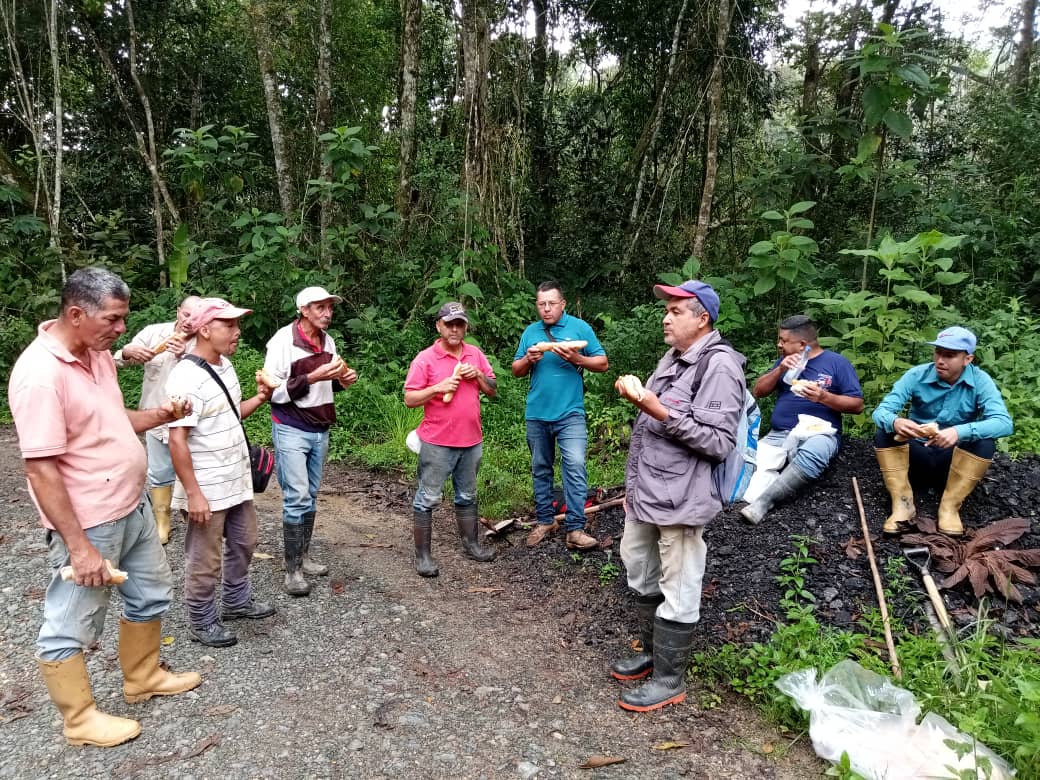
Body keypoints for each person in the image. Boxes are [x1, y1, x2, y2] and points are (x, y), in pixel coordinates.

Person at [7, 267, 201, 748]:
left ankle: (142, 677)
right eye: (113, 320)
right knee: (70, 622)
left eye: (123, 319)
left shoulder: (97, 358)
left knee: (152, 592)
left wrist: (161, 414)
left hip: (130, 505)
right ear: (76, 314)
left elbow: (113, 420)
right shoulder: (40, 376)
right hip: (90, 521)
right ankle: (80, 720)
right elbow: (41, 470)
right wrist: (78, 548)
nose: (120, 331)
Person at [612, 280, 746, 712]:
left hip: (683, 497)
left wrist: (657, 409)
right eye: (665, 309)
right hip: (648, 490)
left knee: (680, 581)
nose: (666, 317)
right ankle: (652, 653)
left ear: (702, 318)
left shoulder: (721, 367)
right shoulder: (673, 358)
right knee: (638, 564)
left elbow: (718, 441)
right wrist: (640, 397)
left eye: (676, 310)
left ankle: (670, 679)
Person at [167, 298, 276, 647]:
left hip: (236, 478)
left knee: (245, 541)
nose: (237, 331)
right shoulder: (184, 376)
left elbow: (228, 415)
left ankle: (236, 601)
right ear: (204, 330)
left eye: (236, 324)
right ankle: (201, 619)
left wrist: (260, 398)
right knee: (205, 557)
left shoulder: (225, 366)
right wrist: (193, 493)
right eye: (228, 325)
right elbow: (177, 440)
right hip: (207, 485)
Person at [263, 286, 358, 596]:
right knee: (297, 496)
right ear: (303, 310)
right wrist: (315, 376)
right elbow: (272, 392)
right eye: (320, 307)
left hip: (321, 427)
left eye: (330, 307)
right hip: (291, 426)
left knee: (312, 494)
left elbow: (328, 386)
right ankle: (292, 571)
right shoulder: (282, 342)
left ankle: (303, 556)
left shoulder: (327, 341)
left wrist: (342, 380)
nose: (327, 313)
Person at [872, 326, 1012, 536]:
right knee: (884, 432)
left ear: (968, 359)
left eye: (950, 355)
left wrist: (959, 431)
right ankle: (903, 503)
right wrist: (896, 421)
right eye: (938, 352)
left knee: (985, 442)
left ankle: (949, 507)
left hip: (953, 462)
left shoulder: (981, 381)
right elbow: (881, 411)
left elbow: (1003, 423)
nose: (940, 360)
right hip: (915, 455)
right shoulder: (917, 374)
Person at [740, 315, 864, 525]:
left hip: (820, 432)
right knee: (747, 462)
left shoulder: (837, 363)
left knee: (814, 452)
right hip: (779, 434)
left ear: (802, 344)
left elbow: (857, 405)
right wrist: (780, 369)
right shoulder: (785, 362)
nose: (779, 344)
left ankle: (763, 503)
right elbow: (758, 391)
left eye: (783, 340)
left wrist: (823, 397)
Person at [513, 281, 609, 551]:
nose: (546, 309)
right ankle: (545, 520)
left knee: (575, 465)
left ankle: (576, 528)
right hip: (537, 413)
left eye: (551, 303)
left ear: (562, 304)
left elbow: (602, 363)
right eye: (541, 304)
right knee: (540, 467)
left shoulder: (580, 328)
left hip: (570, 413)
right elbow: (516, 370)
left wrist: (577, 359)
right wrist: (528, 360)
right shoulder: (531, 332)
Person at [404, 302, 497, 577]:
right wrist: (437, 388)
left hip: (471, 440)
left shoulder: (475, 354)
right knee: (427, 498)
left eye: (460, 324)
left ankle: (472, 545)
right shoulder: (425, 359)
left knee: (467, 495)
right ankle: (423, 557)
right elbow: (409, 398)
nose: (455, 329)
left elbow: (492, 390)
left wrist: (478, 374)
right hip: (437, 442)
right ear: (439, 326)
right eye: (449, 324)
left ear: (465, 326)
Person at [114, 294, 202, 544]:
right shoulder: (154, 332)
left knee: (191, 473)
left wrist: (186, 355)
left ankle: (195, 524)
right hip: (155, 419)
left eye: (196, 318)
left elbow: (209, 373)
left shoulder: (203, 342)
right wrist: (128, 351)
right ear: (177, 312)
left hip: (188, 421)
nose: (189, 322)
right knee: (159, 472)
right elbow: (119, 359)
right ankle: (162, 523)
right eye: (186, 315)